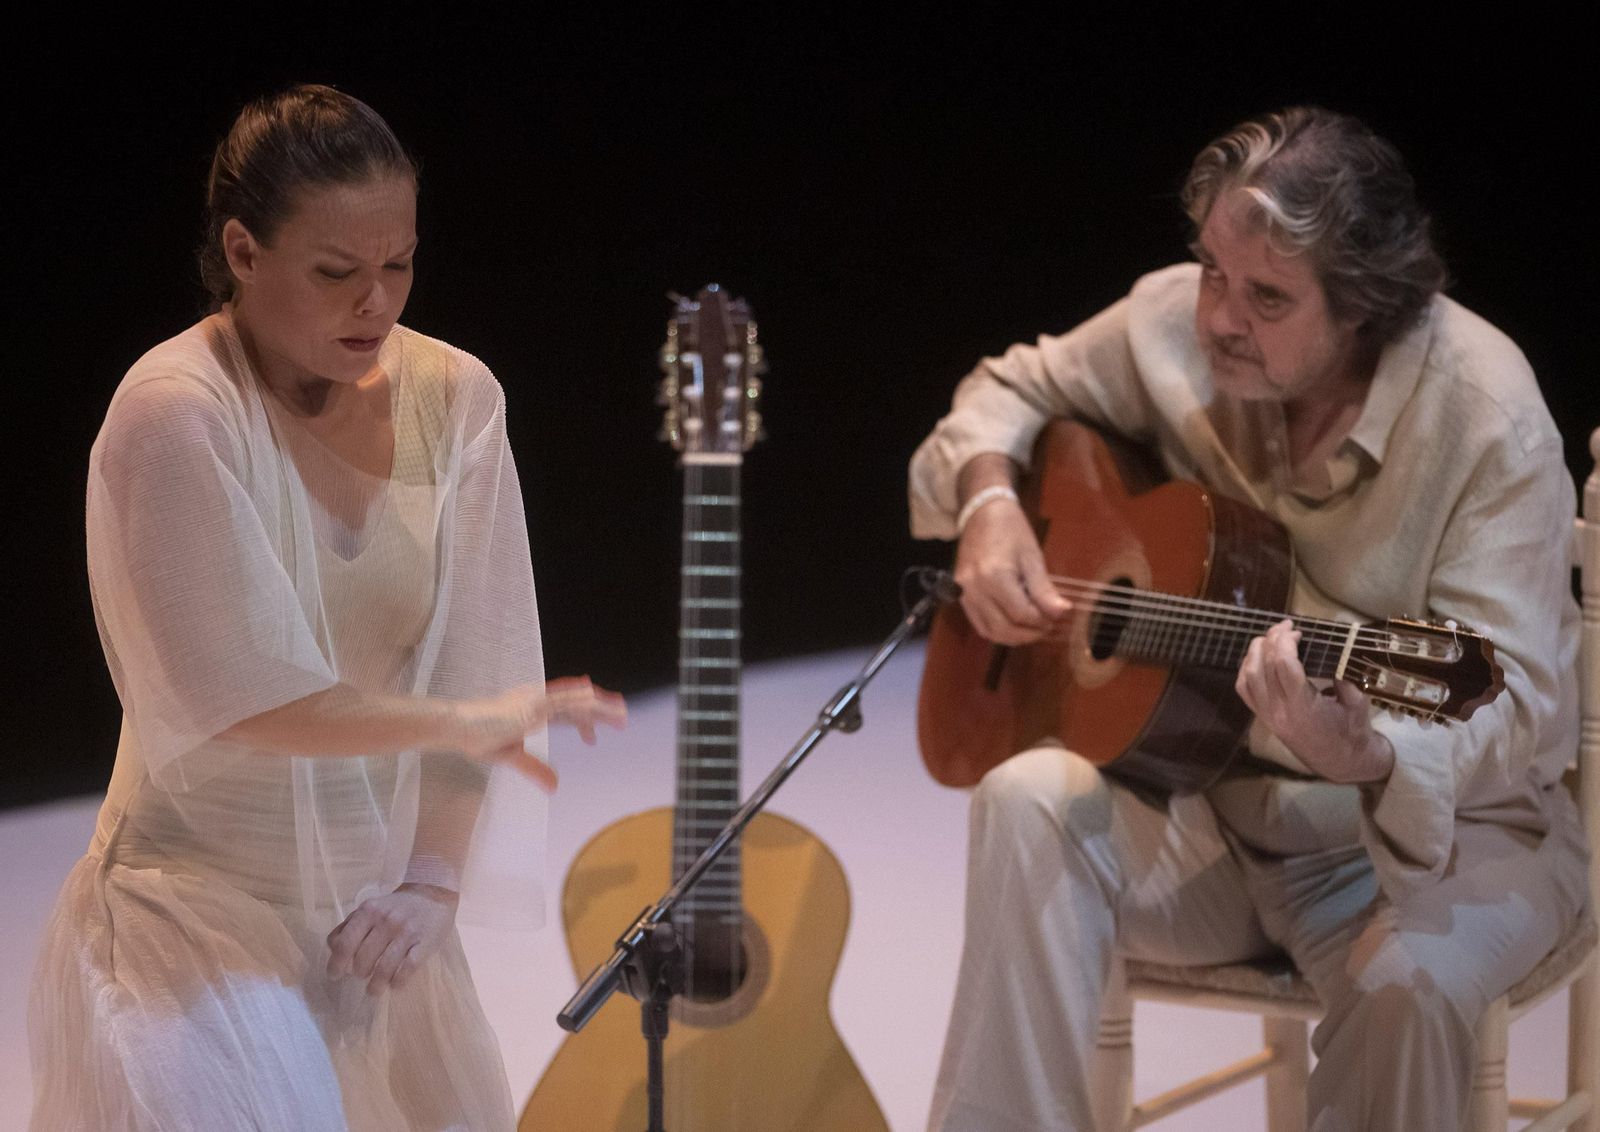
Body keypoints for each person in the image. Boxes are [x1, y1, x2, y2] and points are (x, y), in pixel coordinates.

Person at [910, 106, 1591, 1132]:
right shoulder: (1171, 325)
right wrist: (990, 503)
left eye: (1266, 296)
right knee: (1024, 798)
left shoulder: (1487, 418)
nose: (1219, 318)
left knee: (1404, 987)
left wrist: (1374, 754)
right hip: (1215, 818)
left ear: (1363, 304)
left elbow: (1518, 700)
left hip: (1447, 839)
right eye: (1211, 272)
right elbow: (1001, 393)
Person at [28, 84, 626, 1132]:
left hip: (366, 912)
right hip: (193, 914)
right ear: (244, 252)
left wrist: (431, 882)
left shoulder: (458, 396)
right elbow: (237, 694)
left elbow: (476, 656)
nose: (377, 303)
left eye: (400, 263)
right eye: (337, 272)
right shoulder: (175, 413)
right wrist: (463, 722)